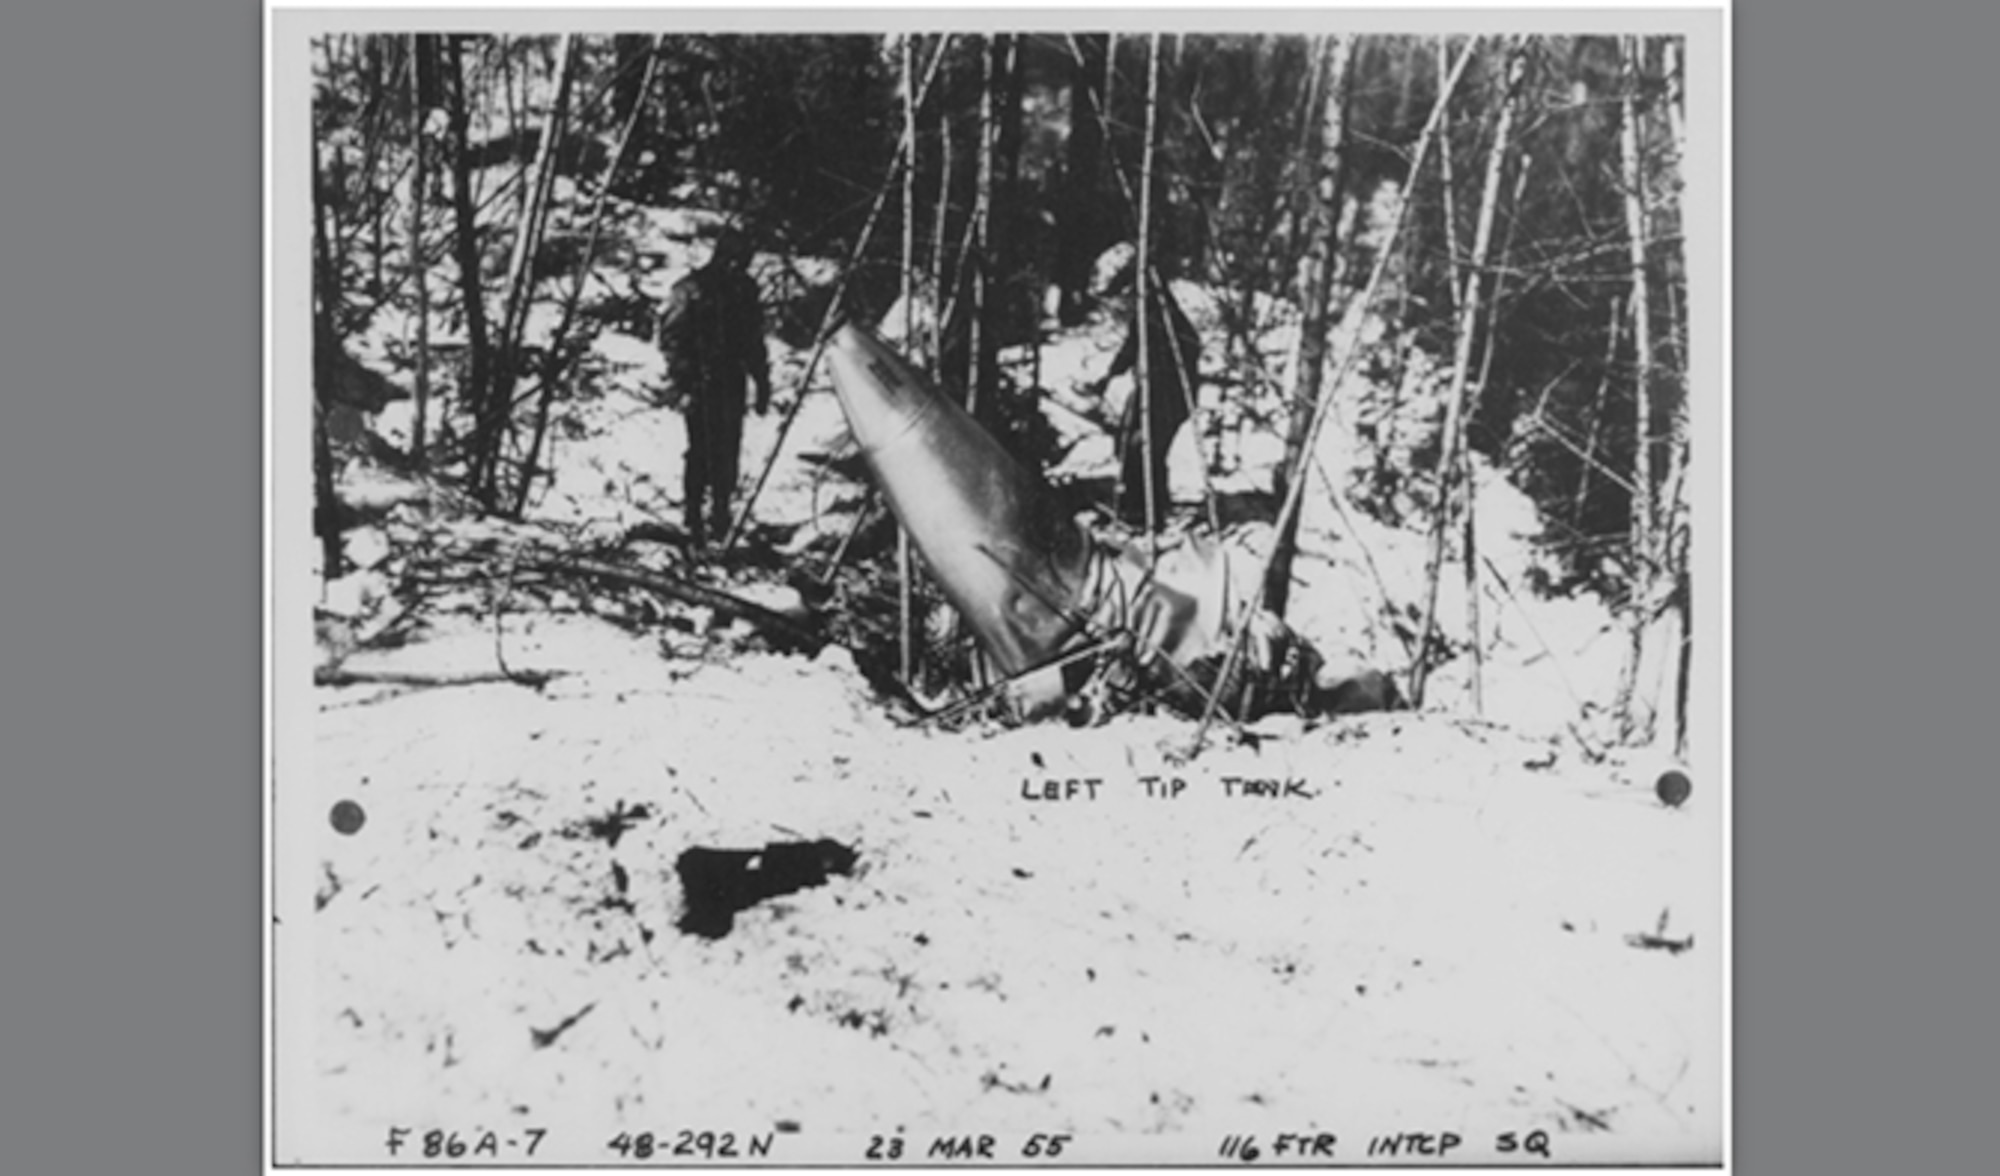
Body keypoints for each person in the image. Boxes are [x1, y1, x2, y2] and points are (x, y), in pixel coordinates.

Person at [656, 227, 773, 549]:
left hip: (730, 379)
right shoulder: (691, 289)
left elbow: (753, 339)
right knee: (701, 449)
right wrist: (684, 381)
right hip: (700, 379)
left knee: (728, 449)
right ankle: (693, 516)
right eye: (737, 259)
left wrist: (761, 381)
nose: (740, 267)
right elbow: (671, 338)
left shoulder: (744, 290)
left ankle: (720, 514)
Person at [1082, 257, 1203, 529]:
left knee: (1145, 447)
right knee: (1128, 441)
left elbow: (1190, 345)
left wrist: (1163, 373)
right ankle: (1137, 505)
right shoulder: (1146, 312)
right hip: (1151, 388)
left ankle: (1147, 513)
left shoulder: (1161, 313)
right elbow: (1132, 346)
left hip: (1170, 392)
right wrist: (1110, 375)